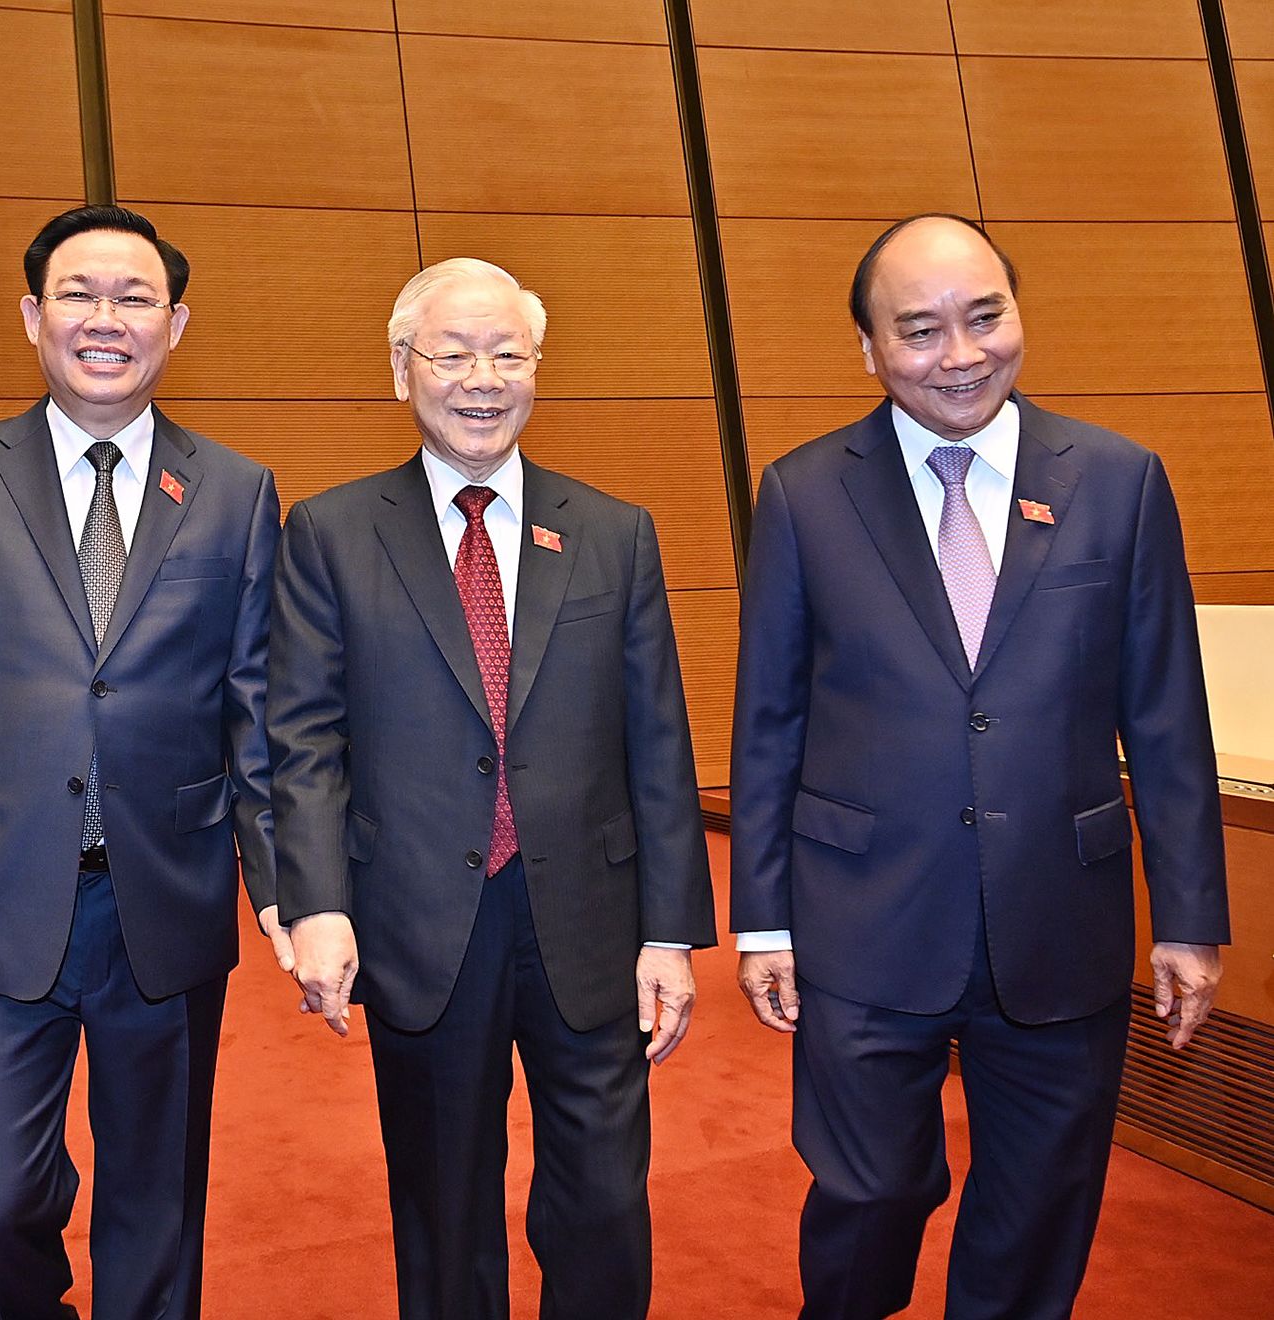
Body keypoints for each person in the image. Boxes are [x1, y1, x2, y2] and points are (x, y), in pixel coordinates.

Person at [730, 213, 1230, 1319]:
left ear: (1018, 313)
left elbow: (1165, 715)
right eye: (920, 330)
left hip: (1061, 916)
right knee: (868, 1192)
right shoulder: (804, 493)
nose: (959, 354)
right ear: (869, 348)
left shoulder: (1119, 480)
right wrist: (762, 921)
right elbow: (769, 721)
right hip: (864, 915)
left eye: (985, 317)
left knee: (1039, 1206)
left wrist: (1190, 916)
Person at [0, 204, 288, 1320]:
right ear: (32, 316)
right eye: (79, 295)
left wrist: (286, 886)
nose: (106, 319)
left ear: (175, 325)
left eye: (135, 298)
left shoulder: (236, 490)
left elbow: (254, 707)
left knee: (158, 1196)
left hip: (166, 892)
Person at [269, 257, 714, 1319]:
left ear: (536, 369)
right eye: (453, 354)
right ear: (402, 370)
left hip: (590, 921)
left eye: (508, 354)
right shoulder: (331, 533)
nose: (482, 379)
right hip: (420, 920)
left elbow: (658, 745)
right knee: (444, 1203)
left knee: (604, 1204)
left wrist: (671, 933)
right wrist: (318, 902)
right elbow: (304, 739)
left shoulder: (614, 531)